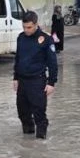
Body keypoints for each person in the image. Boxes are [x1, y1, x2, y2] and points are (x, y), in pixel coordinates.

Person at [13, 11, 58, 139]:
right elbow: (18, 59)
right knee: (22, 112)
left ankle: (41, 138)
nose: (26, 30)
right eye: (24, 27)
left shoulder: (46, 39)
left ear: (36, 24)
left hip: (37, 81)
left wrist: (51, 83)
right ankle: (27, 139)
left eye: (29, 27)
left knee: (39, 112)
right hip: (22, 81)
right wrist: (15, 78)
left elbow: (52, 63)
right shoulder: (20, 37)